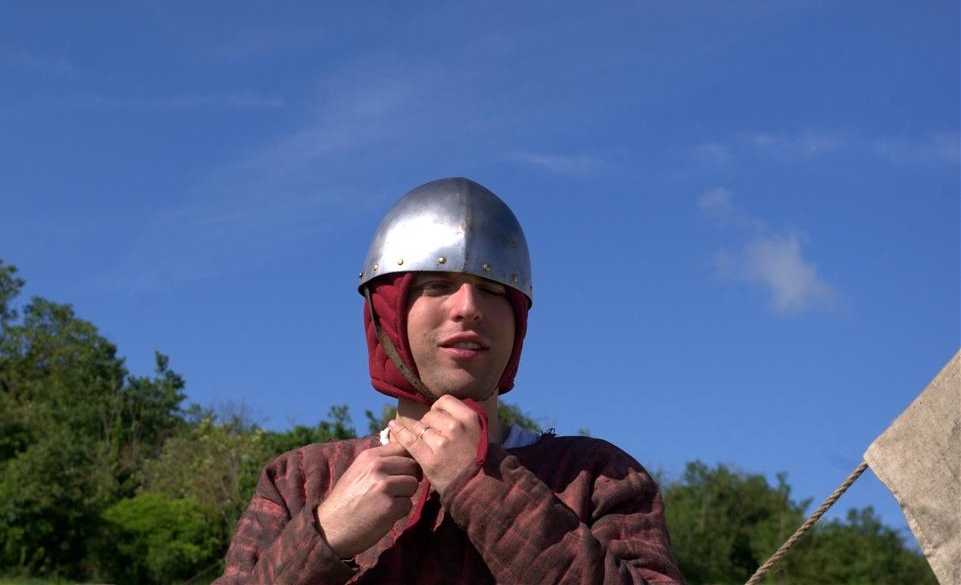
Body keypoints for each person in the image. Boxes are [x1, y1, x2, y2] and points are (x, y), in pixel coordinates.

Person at [215, 177, 685, 585]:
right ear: (387, 314)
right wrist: (324, 536)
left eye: (492, 289)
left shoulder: (597, 476)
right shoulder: (300, 480)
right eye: (436, 286)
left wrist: (482, 486)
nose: (468, 308)